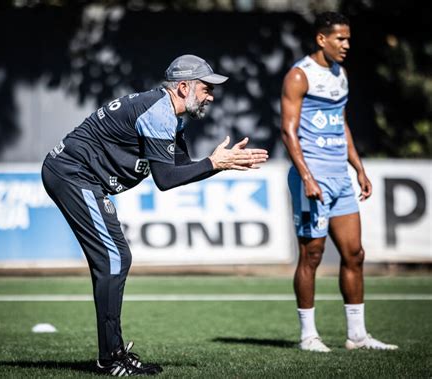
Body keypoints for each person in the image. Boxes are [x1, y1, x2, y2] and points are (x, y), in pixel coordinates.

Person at [41, 54, 268, 376]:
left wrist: (219, 163)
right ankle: (110, 356)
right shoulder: (159, 112)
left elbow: (180, 171)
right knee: (114, 259)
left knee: (113, 259)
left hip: (78, 176)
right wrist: (215, 164)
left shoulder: (171, 115)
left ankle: (113, 351)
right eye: (206, 88)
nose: (211, 96)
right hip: (72, 174)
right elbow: (165, 180)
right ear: (184, 87)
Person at [281, 12, 398, 352]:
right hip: (312, 178)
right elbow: (288, 132)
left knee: (355, 254)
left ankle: (357, 335)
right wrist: (306, 176)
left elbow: (340, 123)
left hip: (340, 177)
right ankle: (308, 336)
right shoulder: (299, 75)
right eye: (340, 39)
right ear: (322, 39)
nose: (347, 45)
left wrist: (358, 168)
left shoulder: (340, 74)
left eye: (348, 39)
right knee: (312, 254)